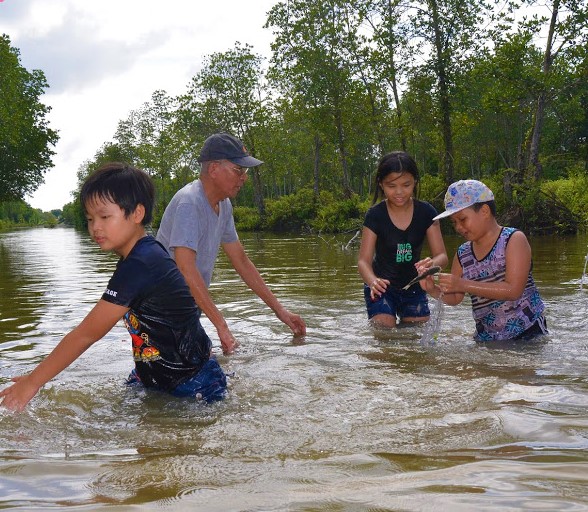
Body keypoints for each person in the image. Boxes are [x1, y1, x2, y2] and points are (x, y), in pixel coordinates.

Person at [0, 163, 227, 412]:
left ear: (137, 214)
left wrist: (33, 382)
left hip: (193, 382)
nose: (95, 227)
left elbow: (87, 333)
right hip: (154, 375)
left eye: (105, 216)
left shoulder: (142, 263)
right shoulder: (140, 256)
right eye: (89, 219)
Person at [156, 132, 306, 354]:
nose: (244, 177)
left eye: (245, 171)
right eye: (239, 170)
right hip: (159, 309)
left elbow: (242, 262)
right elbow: (185, 269)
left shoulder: (223, 205)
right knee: (181, 376)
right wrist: (222, 327)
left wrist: (280, 312)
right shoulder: (189, 203)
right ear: (214, 169)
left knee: (199, 371)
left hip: (186, 306)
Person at [420, 179, 547, 342]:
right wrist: (432, 289)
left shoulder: (513, 240)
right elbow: (455, 298)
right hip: (487, 337)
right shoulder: (463, 254)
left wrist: (462, 284)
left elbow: (513, 290)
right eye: (454, 222)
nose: (458, 227)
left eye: (463, 219)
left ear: (485, 211)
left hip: (528, 332)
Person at [357, 151, 448, 328]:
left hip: (415, 285)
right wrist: (372, 281)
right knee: (383, 328)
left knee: (415, 334)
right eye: (391, 186)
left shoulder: (427, 213)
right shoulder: (375, 215)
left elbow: (442, 256)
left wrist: (430, 265)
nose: (399, 192)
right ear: (381, 184)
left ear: (415, 181)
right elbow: (363, 261)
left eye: (406, 185)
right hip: (381, 286)